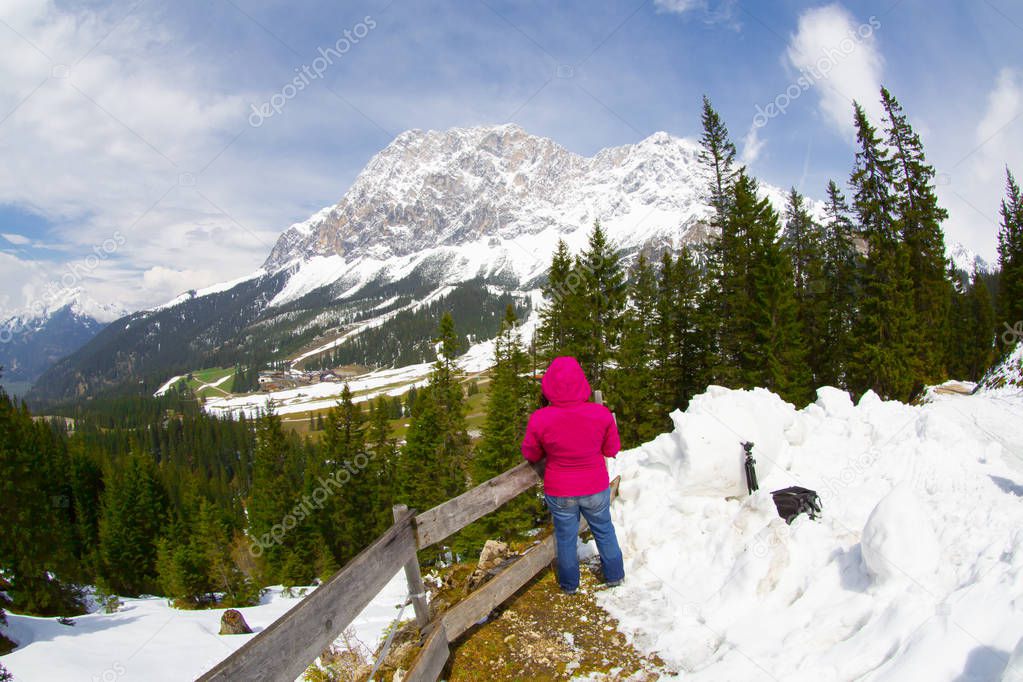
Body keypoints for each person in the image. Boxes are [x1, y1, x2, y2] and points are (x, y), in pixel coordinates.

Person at [521, 356, 625, 595]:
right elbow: (611, 449)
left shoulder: (540, 418)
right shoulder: (600, 414)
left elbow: (531, 453)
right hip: (595, 486)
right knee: (604, 529)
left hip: (560, 490)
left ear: (548, 386)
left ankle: (569, 585)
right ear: (581, 383)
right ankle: (615, 576)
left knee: (565, 538)